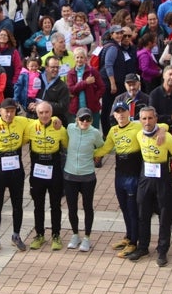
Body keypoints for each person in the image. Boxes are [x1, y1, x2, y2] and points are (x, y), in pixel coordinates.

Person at [125, 105, 172, 267]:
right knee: (142, 215)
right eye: (144, 118)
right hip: (145, 178)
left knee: (164, 217)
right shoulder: (139, 135)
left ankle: (162, 250)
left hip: (162, 179)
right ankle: (143, 247)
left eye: (150, 118)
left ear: (156, 118)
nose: (147, 121)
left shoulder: (167, 138)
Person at [0, 98, 32, 256]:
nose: (9, 114)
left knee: (18, 205)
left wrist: (55, 121)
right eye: (6, 111)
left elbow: (40, 121)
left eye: (12, 110)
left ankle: (16, 235)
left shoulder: (22, 121)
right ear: (0, 111)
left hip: (16, 169)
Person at [95, 98, 145, 257]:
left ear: (129, 112)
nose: (121, 114)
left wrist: (162, 131)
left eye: (123, 111)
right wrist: (88, 155)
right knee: (123, 207)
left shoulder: (137, 126)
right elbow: (105, 149)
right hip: (120, 174)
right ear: (114, 115)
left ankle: (134, 242)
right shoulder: (113, 131)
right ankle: (128, 235)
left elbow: (159, 127)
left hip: (133, 174)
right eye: (118, 112)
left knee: (132, 209)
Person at [27, 100, 68, 250]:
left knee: (55, 204)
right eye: (41, 113)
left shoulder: (59, 128)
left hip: (54, 168)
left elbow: (67, 145)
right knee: (38, 205)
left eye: (47, 112)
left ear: (52, 113)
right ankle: (39, 234)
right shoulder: (30, 126)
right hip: (37, 168)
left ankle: (56, 235)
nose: (44, 115)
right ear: (36, 114)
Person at [64, 106, 104, 251]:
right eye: (82, 119)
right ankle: (75, 235)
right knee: (72, 208)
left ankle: (87, 237)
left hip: (87, 177)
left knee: (88, 207)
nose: (85, 122)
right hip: (70, 176)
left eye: (88, 119)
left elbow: (102, 147)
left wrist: (96, 155)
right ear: (77, 119)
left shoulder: (94, 133)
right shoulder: (70, 128)